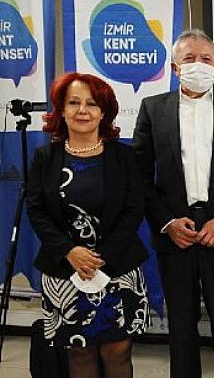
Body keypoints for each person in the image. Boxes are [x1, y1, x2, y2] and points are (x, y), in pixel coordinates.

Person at [133, 29, 214, 378]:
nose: (198, 64)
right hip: (175, 233)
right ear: (175, 68)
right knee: (181, 324)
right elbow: (139, 175)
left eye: (206, 59)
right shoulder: (153, 109)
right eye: (189, 58)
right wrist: (166, 222)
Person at [27, 73, 149, 378]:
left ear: (104, 112)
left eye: (92, 103)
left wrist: (100, 257)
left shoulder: (124, 156)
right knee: (79, 352)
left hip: (118, 268)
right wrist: (69, 252)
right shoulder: (45, 157)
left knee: (117, 351)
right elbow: (37, 211)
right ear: (61, 110)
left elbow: (134, 210)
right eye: (74, 103)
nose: (83, 110)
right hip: (64, 270)